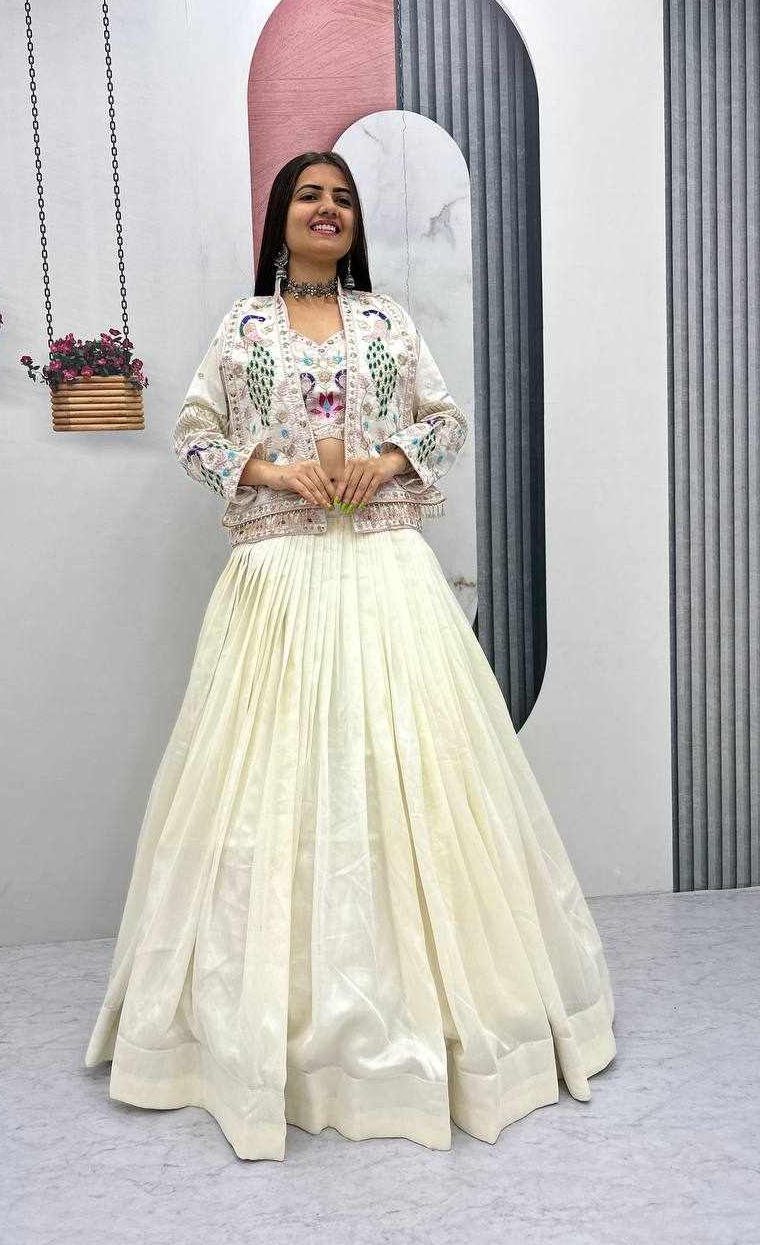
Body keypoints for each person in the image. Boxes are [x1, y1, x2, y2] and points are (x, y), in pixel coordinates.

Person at [84, 151, 616, 1162]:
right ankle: (269, 1021)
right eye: (308, 196)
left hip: (385, 566)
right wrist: (268, 470)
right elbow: (192, 432)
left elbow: (446, 419)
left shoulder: (389, 325)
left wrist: (390, 458)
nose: (326, 209)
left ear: (355, 223)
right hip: (279, 575)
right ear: (282, 217)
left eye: (342, 198)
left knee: (411, 770)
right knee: (273, 780)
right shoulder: (244, 328)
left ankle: (436, 1004)